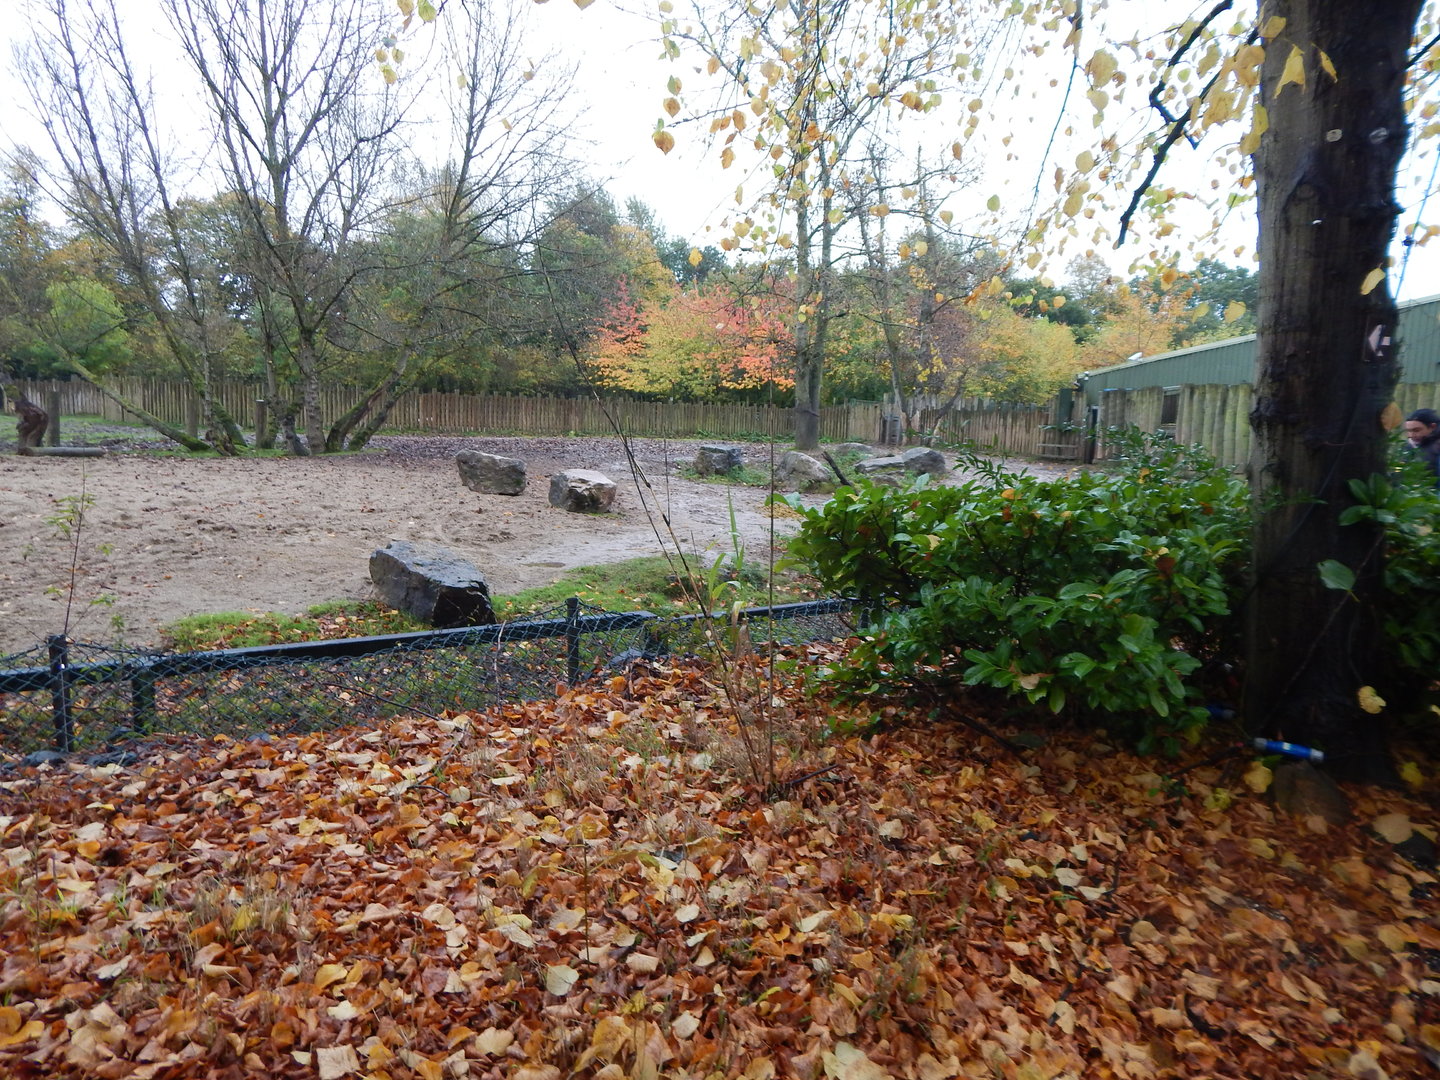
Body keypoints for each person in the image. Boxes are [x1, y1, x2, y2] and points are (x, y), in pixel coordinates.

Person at [1403, 408, 1440, 484]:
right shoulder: (1409, 446)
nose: (1411, 435)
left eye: (1416, 430)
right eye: (1409, 431)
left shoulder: (1436, 446)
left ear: (1432, 427)